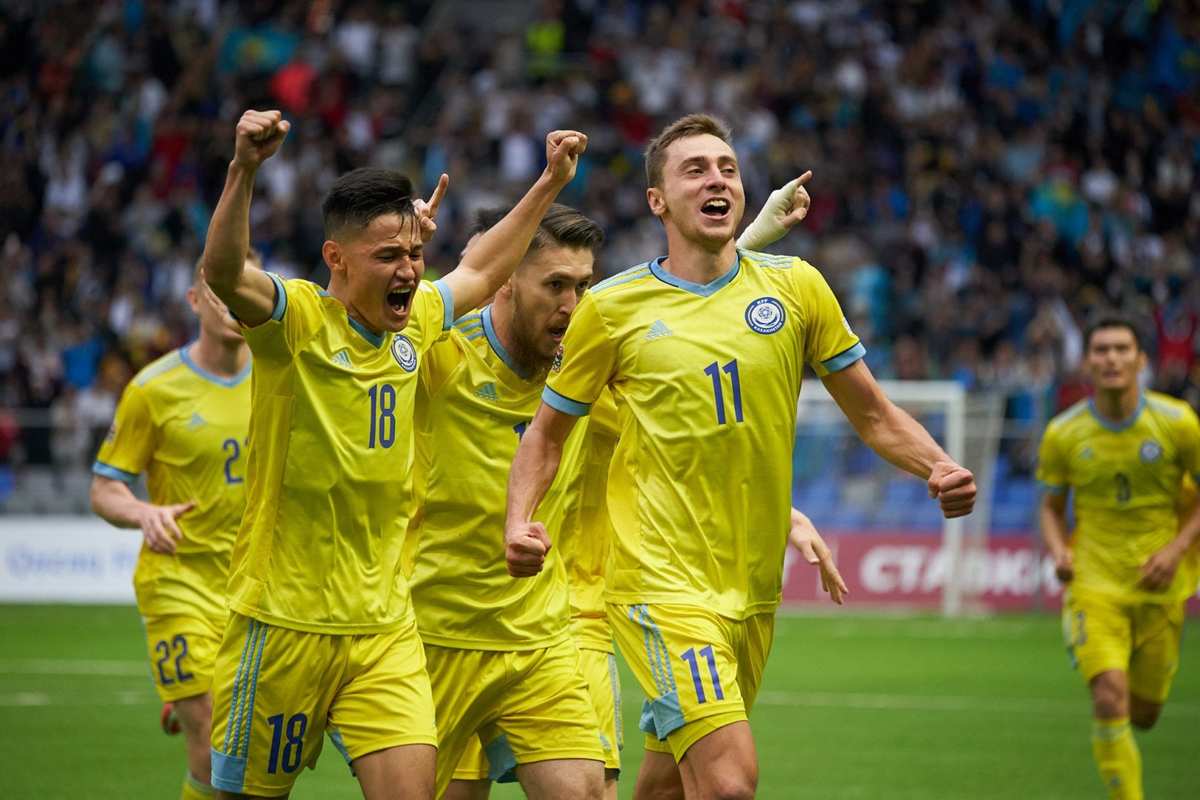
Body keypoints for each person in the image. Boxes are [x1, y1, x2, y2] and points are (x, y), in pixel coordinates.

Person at [503, 113, 975, 800]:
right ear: (657, 200)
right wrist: (519, 520)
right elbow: (547, 436)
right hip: (659, 586)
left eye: (727, 168)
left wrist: (937, 464)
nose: (716, 179)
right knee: (729, 783)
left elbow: (873, 413)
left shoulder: (797, 288)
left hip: (751, 591)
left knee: (669, 786)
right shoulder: (611, 309)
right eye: (694, 170)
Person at [199, 108, 585, 800]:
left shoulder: (418, 323)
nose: (409, 271)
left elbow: (481, 267)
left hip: (384, 628)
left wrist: (550, 183)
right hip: (283, 622)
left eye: (413, 255)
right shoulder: (296, 322)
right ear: (336, 259)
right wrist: (244, 169)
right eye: (388, 258)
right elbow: (226, 272)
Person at [421, 178, 832, 800]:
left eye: (583, 287)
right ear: (504, 281)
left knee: (589, 791)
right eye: (555, 286)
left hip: (562, 624)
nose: (573, 305)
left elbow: (680, 334)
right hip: (440, 626)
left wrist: (746, 242)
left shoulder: (600, 368)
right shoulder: (440, 356)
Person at [91, 252, 259, 800]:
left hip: (256, 589)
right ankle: (190, 699)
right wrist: (144, 512)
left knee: (252, 750)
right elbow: (105, 488)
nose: (232, 302)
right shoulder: (154, 388)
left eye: (244, 287)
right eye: (220, 289)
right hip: (178, 581)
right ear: (194, 301)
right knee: (211, 742)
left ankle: (184, 696)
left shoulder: (282, 376)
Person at [1038, 314, 1200, 800]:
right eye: (1102, 350)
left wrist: (1176, 549)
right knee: (1109, 696)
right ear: (1086, 363)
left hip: (1160, 585)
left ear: (1141, 360)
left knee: (1144, 714)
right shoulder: (1063, 433)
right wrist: (1059, 550)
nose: (1112, 358)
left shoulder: (1178, 423)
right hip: (1094, 585)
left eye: (1122, 349)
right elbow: (1050, 508)